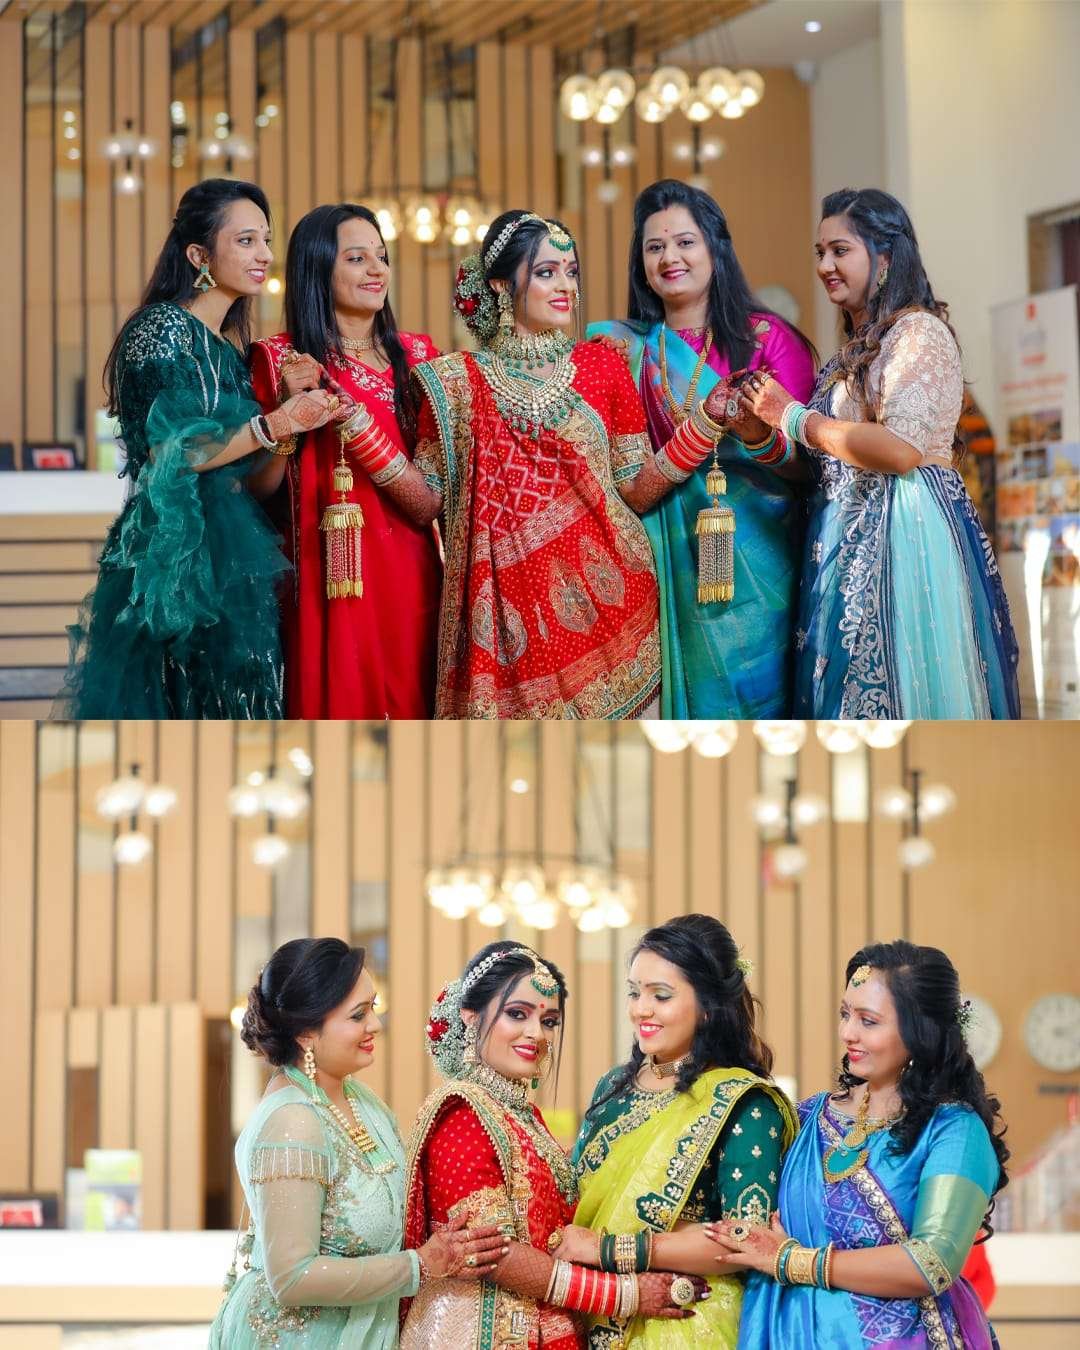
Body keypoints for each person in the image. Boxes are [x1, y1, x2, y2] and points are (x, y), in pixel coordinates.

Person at [372, 209, 738, 718]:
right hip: (504, 636)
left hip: (619, 618)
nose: (565, 285)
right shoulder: (455, 383)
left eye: (571, 272)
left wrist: (705, 424)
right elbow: (426, 501)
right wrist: (358, 430)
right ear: (501, 285)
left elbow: (636, 487)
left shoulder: (603, 364)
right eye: (546, 272)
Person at [58, 179, 344, 719]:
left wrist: (288, 418)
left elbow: (256, 483)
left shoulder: (232, 356)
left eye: (266, 240)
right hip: (173, 558)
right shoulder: (161, 328)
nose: (264, 255)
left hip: (236, 563)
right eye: (246, 241)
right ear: (198, 255)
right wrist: (274, 421)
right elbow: (173, 452)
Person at [738, 187, 1019, 719]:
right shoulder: (848, 354)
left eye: (840, 250)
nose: (824, 265)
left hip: (905, 541)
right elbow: (823, 461)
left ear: (885, 256)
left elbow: (900, 450)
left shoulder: (918, 333)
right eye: (820, 252)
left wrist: (793, 416)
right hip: (841, 543)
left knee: (901, 698)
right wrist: (760, 431)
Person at [401, 942, 708, 1348]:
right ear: (470, 1016)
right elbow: (491, 1254)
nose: (536, 1034)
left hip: (551, 1327)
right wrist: (628, 1295)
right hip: (481, 1333)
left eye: (549, 1021)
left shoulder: (523, 1115)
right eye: (517, 1014)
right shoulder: (463, 1115)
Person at [709, 941, 1009, 1350]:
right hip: (790, 1333)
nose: (848, 1032)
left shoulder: (954, 1130)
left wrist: (792, 1261)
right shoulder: (807, 1117)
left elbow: (933, 1262)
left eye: (868, 1021)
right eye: (845, 1014)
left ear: (920, 1030)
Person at [590, 180, 817, 717]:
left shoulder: (767, 340)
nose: (670, 257)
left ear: (716, 248)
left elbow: (810, 466)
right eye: (655, 246)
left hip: (762, 561)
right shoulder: (622, 352)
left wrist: (756, 436)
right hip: (665, 564)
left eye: (685, 242)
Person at [210, 937, 507, 1349]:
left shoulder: (362, 1101)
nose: (375, 1025)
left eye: (373, 1007)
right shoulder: (292, 1121)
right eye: (358, 1015)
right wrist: (420, 1265)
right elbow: (292, 1277)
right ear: (306, 1033)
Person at [557, 915, 797, 1348]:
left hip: (686, 1318)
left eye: (661, 995)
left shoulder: (743, 1101)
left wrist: (606, 1249)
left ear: (708, 1006)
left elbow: (747, 1238)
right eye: (634, 992)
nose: (640, 1009)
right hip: (592, 1305)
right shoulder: (612, 1087)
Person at [248, 204, 441, 718]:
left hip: (413, 565)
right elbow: (258, 490)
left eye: (381, 256)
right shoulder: (281, 360)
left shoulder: (420, 356)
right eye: (357, 258)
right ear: (317, 269)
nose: (377, 270)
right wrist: (285, 416)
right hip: (330, 569)